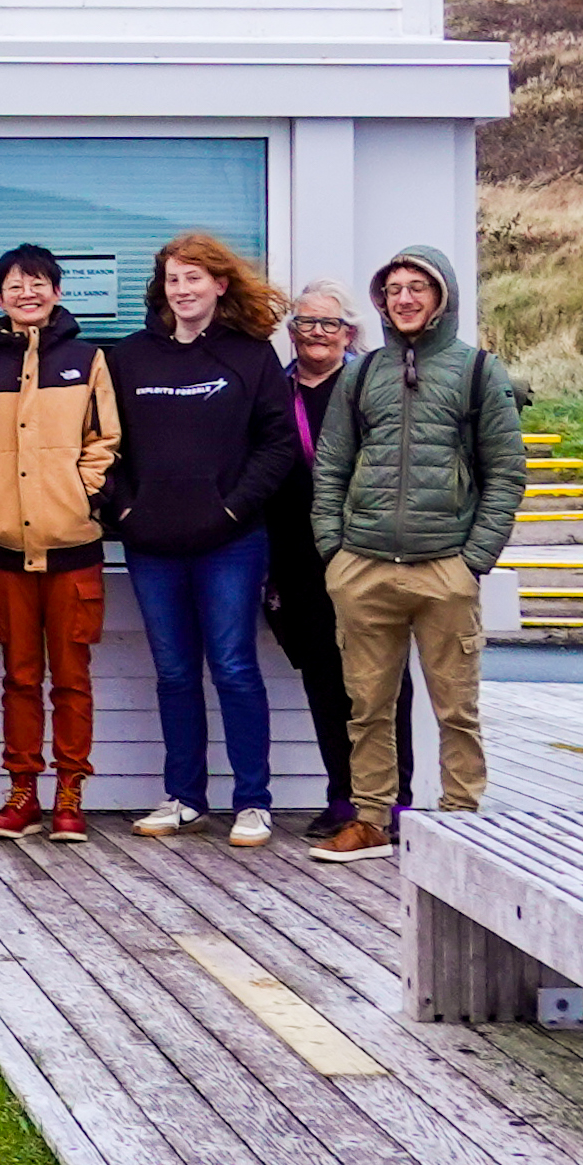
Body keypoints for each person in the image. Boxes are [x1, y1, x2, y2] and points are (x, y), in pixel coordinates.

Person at [306, 246, 525, 865]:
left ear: (442, 297)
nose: (404, 298)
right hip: (364, 566)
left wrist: (473, 560)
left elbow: (506, 473)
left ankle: (462, 822)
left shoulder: (479, 370)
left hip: (443, 569)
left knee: (456, 707)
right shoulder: (363, 371)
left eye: (417, 288)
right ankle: (370, 819)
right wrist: (335, 553)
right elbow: (331, 467)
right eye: (394, 288)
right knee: (366, 707)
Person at [100, 233, 301, 848]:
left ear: (219, 284)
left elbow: (278, 444)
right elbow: (103, 447)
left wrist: (235, 507)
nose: (182, 290)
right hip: (152, 543)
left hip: (230, 543)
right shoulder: (129, 357)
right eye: (172, 279)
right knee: (174, 672)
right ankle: (185, 797)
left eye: (194, 278)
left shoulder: (251, 355)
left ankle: (252, 802)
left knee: (235, 667)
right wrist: (126, 509)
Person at [0, 244, 120, 846]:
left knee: (72, 676)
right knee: (19, 676)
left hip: (73, 547)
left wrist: (82, 488)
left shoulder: (86, 359)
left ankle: (70, 790)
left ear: (56, 291)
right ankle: (22, 788)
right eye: (15, 285)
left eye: (39, 283)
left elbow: (107, 437)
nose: (27, 293)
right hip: (4, 548)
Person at [266, 280, 388, 843]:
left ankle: (392, 799)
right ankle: (342, 796)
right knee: (322, 676)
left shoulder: (369, 387)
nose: (317, 334)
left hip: (363, 548)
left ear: (350, 334)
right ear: (291, 333)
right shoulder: (275, 388)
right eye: (306, 324)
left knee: (380, 681)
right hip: (296, 552)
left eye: (329, 324)